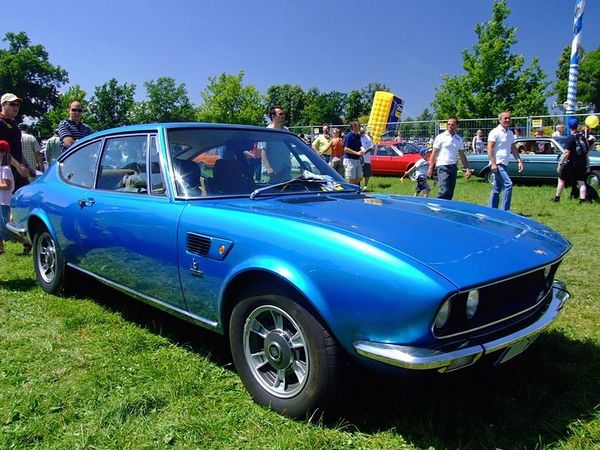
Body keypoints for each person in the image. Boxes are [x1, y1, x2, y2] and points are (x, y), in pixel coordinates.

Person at [487, 111, 524, 211]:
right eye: (505, 118)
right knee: (508, 184)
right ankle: (505, 211)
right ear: (500, 120)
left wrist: (519, 161)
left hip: (504, 163)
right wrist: (493, 163)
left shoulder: (510, 133)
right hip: (497, 163)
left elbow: (513, 148)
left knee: (497, 188)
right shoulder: (495, 132)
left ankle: (491, 210)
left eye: (509, 118)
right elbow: (490, 148)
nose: (507, 120)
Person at [427, 116, 471, 200]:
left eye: (452, 124)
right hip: (442, 166)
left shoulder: (459, 139)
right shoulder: (440, 137)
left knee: (450, 192)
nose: (450, 126)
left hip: (453, 167)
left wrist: (467, 169)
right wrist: (430, 168)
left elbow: (462, 155)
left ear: (457, 125)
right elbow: (434, 153)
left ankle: (445, 211)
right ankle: (435, 207)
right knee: (444, 190)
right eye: (448, 124)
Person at [0, 140, 31, 255]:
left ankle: (27, 242)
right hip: (1, 201)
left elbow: (7, 186)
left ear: (3, 153)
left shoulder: (5, 169)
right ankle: (1, 248)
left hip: (5, 202)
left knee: (7, 229)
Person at [0, 93, 33, 192]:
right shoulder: (1, 122)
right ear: (3, 105)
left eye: (17, 105)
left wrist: (27, 165)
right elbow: (1, 151)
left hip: (17, 170)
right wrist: (17, 165)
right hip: (6, 170)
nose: (16, 107)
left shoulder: (13, 122)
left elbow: (17, 147)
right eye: (12, 104)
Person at [553, 118, 588, 203]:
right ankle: (582, 200)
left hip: (571, 163)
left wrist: (560, 164)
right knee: (581, 181)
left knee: (561, 180)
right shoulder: (582, 136)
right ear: (577, 126)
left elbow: (566, 153)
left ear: (569, 127)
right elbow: (587, 148)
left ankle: (557, 199)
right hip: (582, 162)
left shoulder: (570, 138)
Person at [261, 106, 291, 183]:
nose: (283, 116)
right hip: (271, 173)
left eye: (284, 113)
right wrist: (268, 168)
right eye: (281, 114)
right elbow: (263, 151)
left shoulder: (286, 130)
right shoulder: (267, 132)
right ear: (273, 116)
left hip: (285, 172)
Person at [343, 120, 366, 185]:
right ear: (354, 127)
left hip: (357, 159)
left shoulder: (358, 135)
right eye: (358, 126)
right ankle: (349, 191)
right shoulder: (349, 136)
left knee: (360, 177)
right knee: (352, 178)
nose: (360, 127)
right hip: (350, 160)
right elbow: (345, 149)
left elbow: (360, 145)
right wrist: (357, 153)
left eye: (359, 126)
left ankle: (351, 188)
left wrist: (362, 149)